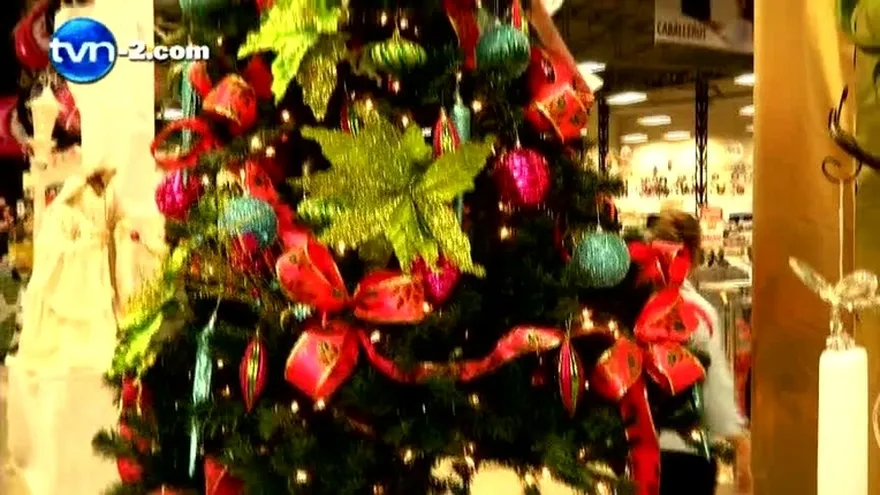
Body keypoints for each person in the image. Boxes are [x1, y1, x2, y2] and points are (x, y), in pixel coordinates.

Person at [649, 210, 753, 495]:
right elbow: (714, 385)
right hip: (686, 451)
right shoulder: (697, 312)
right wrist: (738, 439)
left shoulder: (636, 304)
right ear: (694, 253)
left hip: (638, 451)